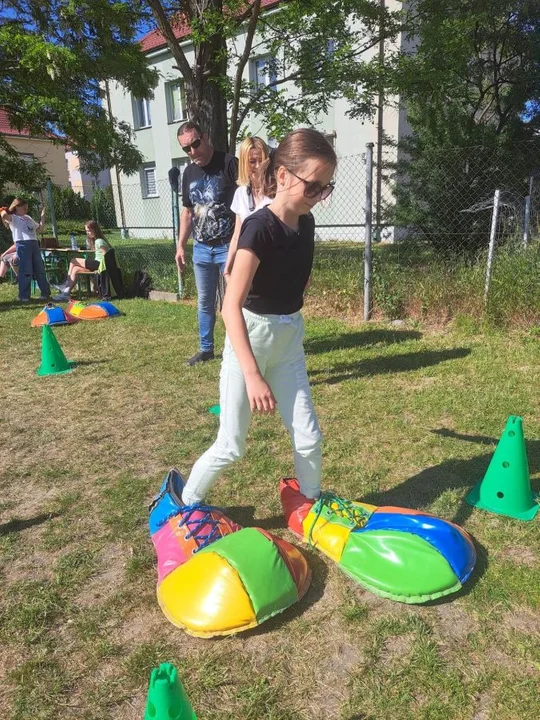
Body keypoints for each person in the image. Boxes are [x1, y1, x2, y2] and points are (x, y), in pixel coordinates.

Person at [179, 128, 337, 507]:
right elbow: (229, 306)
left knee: (309, 436)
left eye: (325, 188)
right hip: (249, 338)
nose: (318, 197)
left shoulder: (306, 222)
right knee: (231, 444)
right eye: (313, 186)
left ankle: (310, 503)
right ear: (282, 176)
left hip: (287, 341)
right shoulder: (258, 228)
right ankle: (184, 505)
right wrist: (252, 375)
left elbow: (299, 273)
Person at [175, 121, 239, 366]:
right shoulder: (189, 173)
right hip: (201, 248)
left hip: (228, 246)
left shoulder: (229, 164)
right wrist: (181, 245)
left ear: (205, 136)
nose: (192, 151)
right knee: (204, 301)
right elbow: (187, 212)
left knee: (234, 300)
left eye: (195, 144)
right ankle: (206, 349)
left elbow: (245, 202)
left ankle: (240, 347)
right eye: (186, 149)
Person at [223, 136, 272, 281]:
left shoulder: (277, 192)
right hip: (247, 267)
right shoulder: (241, 193)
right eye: (252, 161)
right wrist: (228, 267)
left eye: (262, 160)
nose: (258, 166)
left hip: (273, 265)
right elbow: (237, 234)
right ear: (244, 163)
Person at [0, 198, 50, 302]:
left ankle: (45, 294)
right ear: (16, 207)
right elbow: (4, 215)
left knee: (39, 269)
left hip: (34, 243)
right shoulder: (13, 218)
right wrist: (2, 209)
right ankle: (24, 296)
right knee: (26, 271)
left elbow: (40, 229)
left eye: (27, 208)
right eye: (24, 208)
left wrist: (42, 217)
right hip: (22, 244)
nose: (26, 210)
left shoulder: (28, 217)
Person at [53, 220, 111, 300]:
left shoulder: (99, 241)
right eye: (86, 231)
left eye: (89, 231)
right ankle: (66, 292)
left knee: (73, 261)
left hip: (100, 264)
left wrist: (104, 268)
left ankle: (66, 284)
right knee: (75, 269)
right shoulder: (96, 240)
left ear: (95, 230)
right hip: (97, 263)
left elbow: (107, 255)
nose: (87, 233)